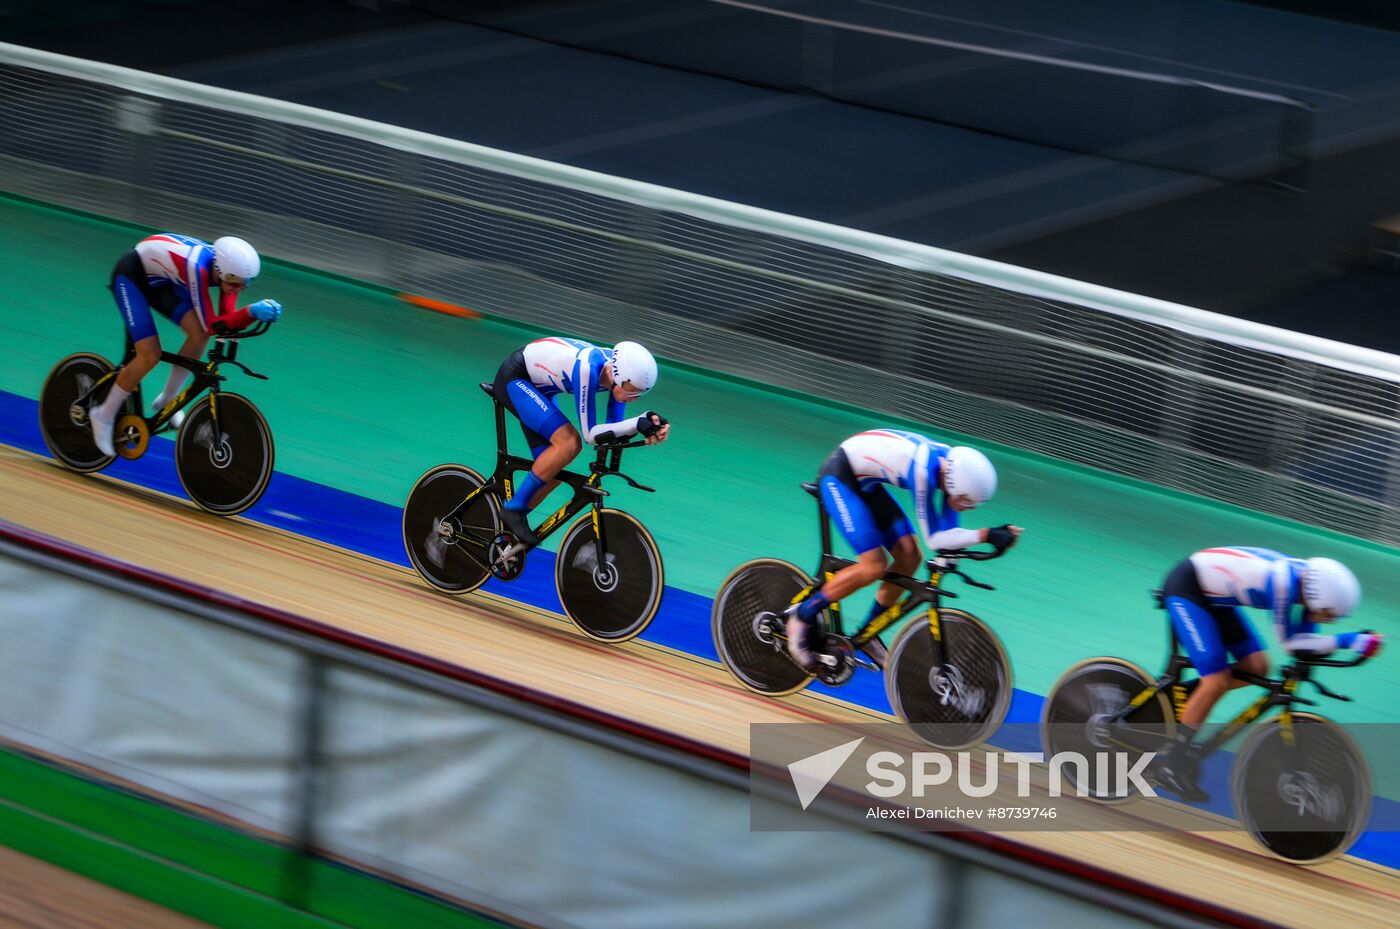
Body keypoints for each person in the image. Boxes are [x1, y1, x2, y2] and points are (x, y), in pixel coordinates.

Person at [1152, 547, 1384, 802]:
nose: (1329, 621)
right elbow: (1292, 644)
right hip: (1187, 589)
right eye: (1328, 614)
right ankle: (1171, 764)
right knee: (1216, 681)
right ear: (1317, 597)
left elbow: (1307, 642)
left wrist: (1352, 643)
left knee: (1257, 667)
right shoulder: (1283, 583)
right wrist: (1351, 640)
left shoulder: (1307, 584)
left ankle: (1188, 698)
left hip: (1214, 599)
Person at [784, 429, 1020, 671]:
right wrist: (986, 535)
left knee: (910, 556)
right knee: (873, 565)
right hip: (840, 478)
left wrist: (981, 541)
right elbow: (935, 540)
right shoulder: (923, 472)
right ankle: (802, 615)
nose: (970, 509)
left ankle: (868, 633)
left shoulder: (951, 469)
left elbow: (949, 535)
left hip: (867, 484)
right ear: (954, 487)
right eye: (968, 502)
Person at [91, 233, 282, 455]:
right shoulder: (197, 268)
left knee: (199, 335)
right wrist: (251, 312)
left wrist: (254, 315)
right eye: (235, 283)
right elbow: (213, 324)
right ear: (221, 271)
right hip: (132, 276)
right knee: (150, 354)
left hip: (162, 280)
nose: (238, 288)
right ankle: (103, 415)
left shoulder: (228, 274)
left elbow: (226, 320)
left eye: (245, 284)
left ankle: (168, 399)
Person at [490, 337, 670, 547]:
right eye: (632, 389)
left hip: (540, 389)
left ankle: (504, 529)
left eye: (640, 392)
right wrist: (637, 422)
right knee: (570, 443)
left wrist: (648, 425)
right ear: (618, 376)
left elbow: (613, 429)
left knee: (552, 474)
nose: (635, 397)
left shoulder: (614, 372)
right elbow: (590, 435)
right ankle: (513, 509)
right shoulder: (587, 369)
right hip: (516, 378)